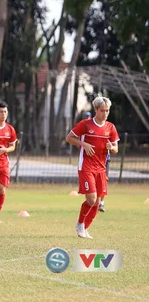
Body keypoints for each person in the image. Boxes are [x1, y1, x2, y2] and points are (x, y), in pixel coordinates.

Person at [65, 96, 119, 239]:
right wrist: (84, 144)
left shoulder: (111, 127)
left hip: (101, 169)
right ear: (96, 109)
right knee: (91, 199)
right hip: (86, 167)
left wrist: (111, 147)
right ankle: (80, 224)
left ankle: (84, 228)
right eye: (102, 110)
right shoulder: (86, 124)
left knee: (96, 203)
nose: (105, 113)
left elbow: (116, 149)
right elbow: (69, 138)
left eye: (107, 111)